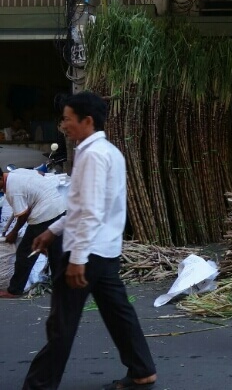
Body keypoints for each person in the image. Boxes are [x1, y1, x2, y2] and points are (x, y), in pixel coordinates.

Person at [22, 91, 158, 390]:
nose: (63, 125)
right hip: (104, 249)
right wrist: (53, 231)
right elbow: (84, 205)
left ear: (87, 121)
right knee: (117, 312)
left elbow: (91, 211)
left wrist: (77, 258)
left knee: (62, 322)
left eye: (67, 119)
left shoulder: (94, 155)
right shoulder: (106, 151)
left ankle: (39, 384)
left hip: (88, 250)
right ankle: (142, 369)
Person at [0, 168, 66, 298]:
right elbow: (40, 173)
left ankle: (15, 290)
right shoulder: (18, 172)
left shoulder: (13, 191)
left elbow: (23, 216)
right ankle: (62, 287)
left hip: (45, 213)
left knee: (26, 252)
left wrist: (14, 232)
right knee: (55, 252)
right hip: (58, 207)